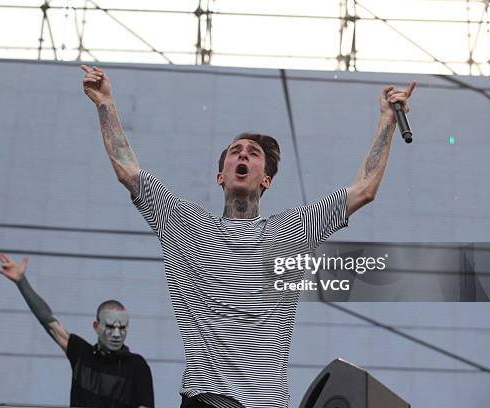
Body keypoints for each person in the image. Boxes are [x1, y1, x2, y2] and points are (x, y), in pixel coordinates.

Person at [81, 64, 415, 408]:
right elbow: (128, 171)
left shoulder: (293, 231)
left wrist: (386, 122)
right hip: (205, 400)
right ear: (220, 176)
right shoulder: (184, 224)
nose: (243, 154)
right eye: (235, 152)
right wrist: (105, 102)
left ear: (266, 179)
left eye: (253, 154)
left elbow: (363, 190)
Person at [0, 252, 154, 408]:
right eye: (111, 327)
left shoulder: (137, 366)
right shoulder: (81, 353)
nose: (117, 334)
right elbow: (49, 322)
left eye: (122, 328)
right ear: (96, 327)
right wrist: (22, 282)